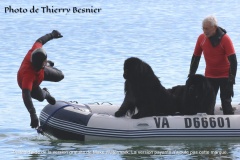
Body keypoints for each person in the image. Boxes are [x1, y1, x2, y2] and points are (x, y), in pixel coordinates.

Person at [188, 15, 237, 115]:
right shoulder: (201, 39)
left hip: (225, 76)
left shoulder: (225, 39)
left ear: (214, 27)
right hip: (210, 77)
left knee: (226, 102)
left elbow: (233, 61)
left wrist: (231, 81)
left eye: (207, 29)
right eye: (203, 28)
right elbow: (195, 58)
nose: (205, 31)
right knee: (207, 104)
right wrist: (191, 75)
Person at [17, 30, 64, 128]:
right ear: (40, 63)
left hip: (41, 71)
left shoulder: (34, 51)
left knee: (60, 76)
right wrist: (33, 114)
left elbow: (40, 41)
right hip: (33, 83)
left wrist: (52, 35)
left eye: (45, 59)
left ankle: (48, 65)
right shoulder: (28, 76)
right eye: (44, 60)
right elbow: (26, 95)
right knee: (41, 98)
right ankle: (46, 93)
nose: (45, 58)